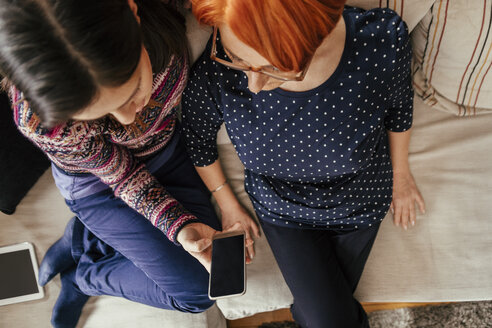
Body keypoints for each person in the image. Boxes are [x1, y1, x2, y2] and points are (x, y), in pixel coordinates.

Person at [0, 1, 257, 327]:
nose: (128, 118)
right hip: (96, 184)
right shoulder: (40, 118)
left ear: (133, 11)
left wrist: (184, 229)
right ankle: (86, 276)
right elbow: (121, 176)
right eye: (101, 114)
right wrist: (178, 227)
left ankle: (84, 240)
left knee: (207, 270)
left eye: (133, 88)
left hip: (166, 151)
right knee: (196, 295)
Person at [181, 0, 426, 327]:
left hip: (360, 200)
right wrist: (227, 203)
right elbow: (197, 140)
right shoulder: (221, 70)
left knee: (325, 315)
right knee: (329, 318)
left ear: (315, 40)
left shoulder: (380, 40)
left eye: (270, 69)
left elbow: (400, 110)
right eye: (238, 59)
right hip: (283, 209)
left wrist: (401, 175)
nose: (252, 86)